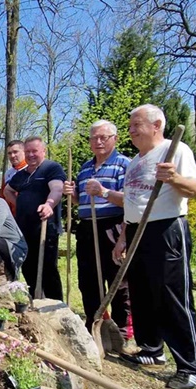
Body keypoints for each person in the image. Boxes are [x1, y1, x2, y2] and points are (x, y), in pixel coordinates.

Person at [113, 104, 196, 389]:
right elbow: (132, 203)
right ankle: (151, 349)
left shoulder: (175, 150)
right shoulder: (135, 162)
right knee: (141, 293)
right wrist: (123, 237)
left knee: (171, 297)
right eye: (130, 125)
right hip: (136, 231)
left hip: (165, 228)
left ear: (157, 125)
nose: (131, 130)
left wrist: (174, 178)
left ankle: (190, 366)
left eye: (136, 124)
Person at [63, 120, 132, 340]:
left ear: (115, 139)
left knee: (118, 279)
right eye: (94, 138)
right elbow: (81, 201)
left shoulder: (125, 165)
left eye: (103, 137)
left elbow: (131, 200)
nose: (98, 142)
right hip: (87, 228)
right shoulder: (85, 168)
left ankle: (123, 330)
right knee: (88, 279)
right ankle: (96, 324)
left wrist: (102, 192)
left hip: (113, 226)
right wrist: (72, 194)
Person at [4, 136, 66, 299]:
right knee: (28, 268)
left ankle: (55, 304)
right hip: (24, 230)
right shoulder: (21, 175)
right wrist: (20, 204)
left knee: (48, 269)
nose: (31, 155)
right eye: (28, 152)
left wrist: (49, 205)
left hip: (45, 228)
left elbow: (57, 189)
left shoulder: (51, 168)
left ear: (43, 151)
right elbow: (7, 190)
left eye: (34, 151)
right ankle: (35, 300)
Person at [2, 140, 27, 215]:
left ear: (24, 152)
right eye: (9, 153)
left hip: (27, 213)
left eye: (15, 152)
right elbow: (3, 196)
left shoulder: (30, 170)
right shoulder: (8, 173)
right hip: (11, 215)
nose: (12, 156)